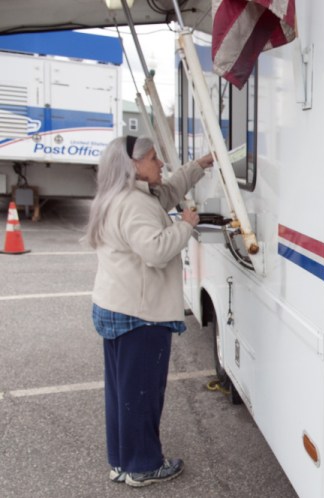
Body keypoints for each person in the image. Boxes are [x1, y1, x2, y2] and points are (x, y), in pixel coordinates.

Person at [84, 135, 213, 487]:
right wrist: (185, 224)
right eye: (154, 158)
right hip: (139, 315)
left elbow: (167, 191)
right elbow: (156, 251)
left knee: (121, 392)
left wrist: (198, 167)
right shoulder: (135, 205)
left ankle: (122, 462)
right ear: (133, 166)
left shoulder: (121, 196)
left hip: (114, 305)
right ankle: (143, 466)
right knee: (142, 393)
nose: (160, 164)